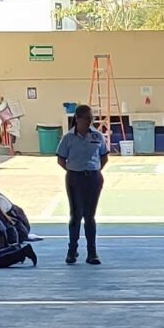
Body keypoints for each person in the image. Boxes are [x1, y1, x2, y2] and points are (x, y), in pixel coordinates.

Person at [56, 103, 110, 265]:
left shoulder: (97, 136)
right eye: (87, 118)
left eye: (91, 118)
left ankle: (92, 252)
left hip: (93, 178)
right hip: (75, 178)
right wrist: (74, 170)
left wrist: (93, 170)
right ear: (78, 119)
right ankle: (72, 250)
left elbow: (104, 156)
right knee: (75, 215)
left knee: (90, 216)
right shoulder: (68, 137)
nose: (89, 121)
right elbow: (61, 159)